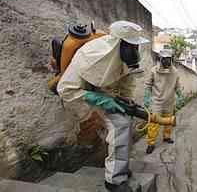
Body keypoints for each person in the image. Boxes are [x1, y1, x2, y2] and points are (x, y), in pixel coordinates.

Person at [57, 20, 149, 192]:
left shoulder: (124, 56)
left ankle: (118, 168)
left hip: (106, 92)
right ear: (118, 43)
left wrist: (125, 99)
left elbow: (126, 81)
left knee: (126, 120)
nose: (135, 51)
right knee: (120, 124)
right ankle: (114, 181)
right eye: (131, 46)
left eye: (136, 46)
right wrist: (102, 100)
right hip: (82, 92)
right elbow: (65, 90)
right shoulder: (88, 55)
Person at [144, 50, 183, 154]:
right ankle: (151, 143)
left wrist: (180, 96)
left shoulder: (175, 72)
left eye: (169, 59)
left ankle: (166, 137)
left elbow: (177, 85)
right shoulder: (153, 71)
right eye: (164, 59)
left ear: (171, 60)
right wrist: (146, 97)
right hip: (157, 102)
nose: (167, 61)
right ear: (160, 59)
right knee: (154, 123)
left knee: (168, 121)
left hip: (169, 101)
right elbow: (148, 85)